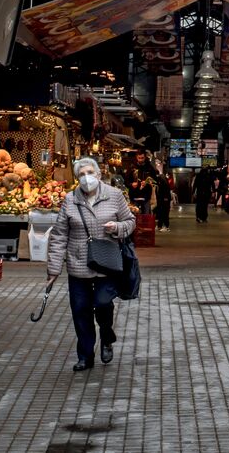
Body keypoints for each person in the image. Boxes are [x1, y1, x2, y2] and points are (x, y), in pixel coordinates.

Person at [46, 157, 136, 372]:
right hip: (78, 264)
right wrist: (54, 269)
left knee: (103, 303)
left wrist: (117, 227)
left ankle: (106, 336)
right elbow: (59, 235)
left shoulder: (114, 196)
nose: (86, 178)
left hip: (107, 263)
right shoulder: (70, 200)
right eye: (81, 175)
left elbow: (131, 221)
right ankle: (85, 355)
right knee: (80, 310)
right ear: (77, 179)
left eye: (89, 173)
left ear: (98, 174)